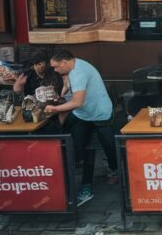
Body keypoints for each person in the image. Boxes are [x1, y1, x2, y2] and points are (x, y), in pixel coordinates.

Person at [44, 49, 117, 206]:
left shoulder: (79, 73)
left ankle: (114, 169)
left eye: (55, 66)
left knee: (109, 146)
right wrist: (62, 93)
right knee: (78, 146)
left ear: (64, 63)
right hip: (82, 114)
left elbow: (77, 102)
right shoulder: (74, 64)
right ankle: (79, 177)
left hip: (100, 113)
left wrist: (54, 108)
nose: (54, 70)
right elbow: (67, 82)